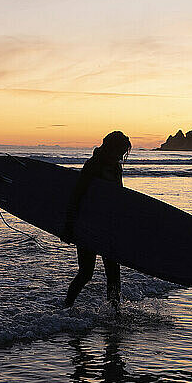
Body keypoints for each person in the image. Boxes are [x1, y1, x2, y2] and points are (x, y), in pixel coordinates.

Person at [61, 131, 132, 311]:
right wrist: (69, 226)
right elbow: (77, 195)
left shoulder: (116, 167)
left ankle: (115, 312)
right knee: (86, 273)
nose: (121, 156)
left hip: (108, 226)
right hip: (88, 225)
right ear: (110, 147)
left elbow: (117, 197)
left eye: (123, 153)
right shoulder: (93, 165)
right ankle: (65, 308)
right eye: (119, 151)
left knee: (114, 274)